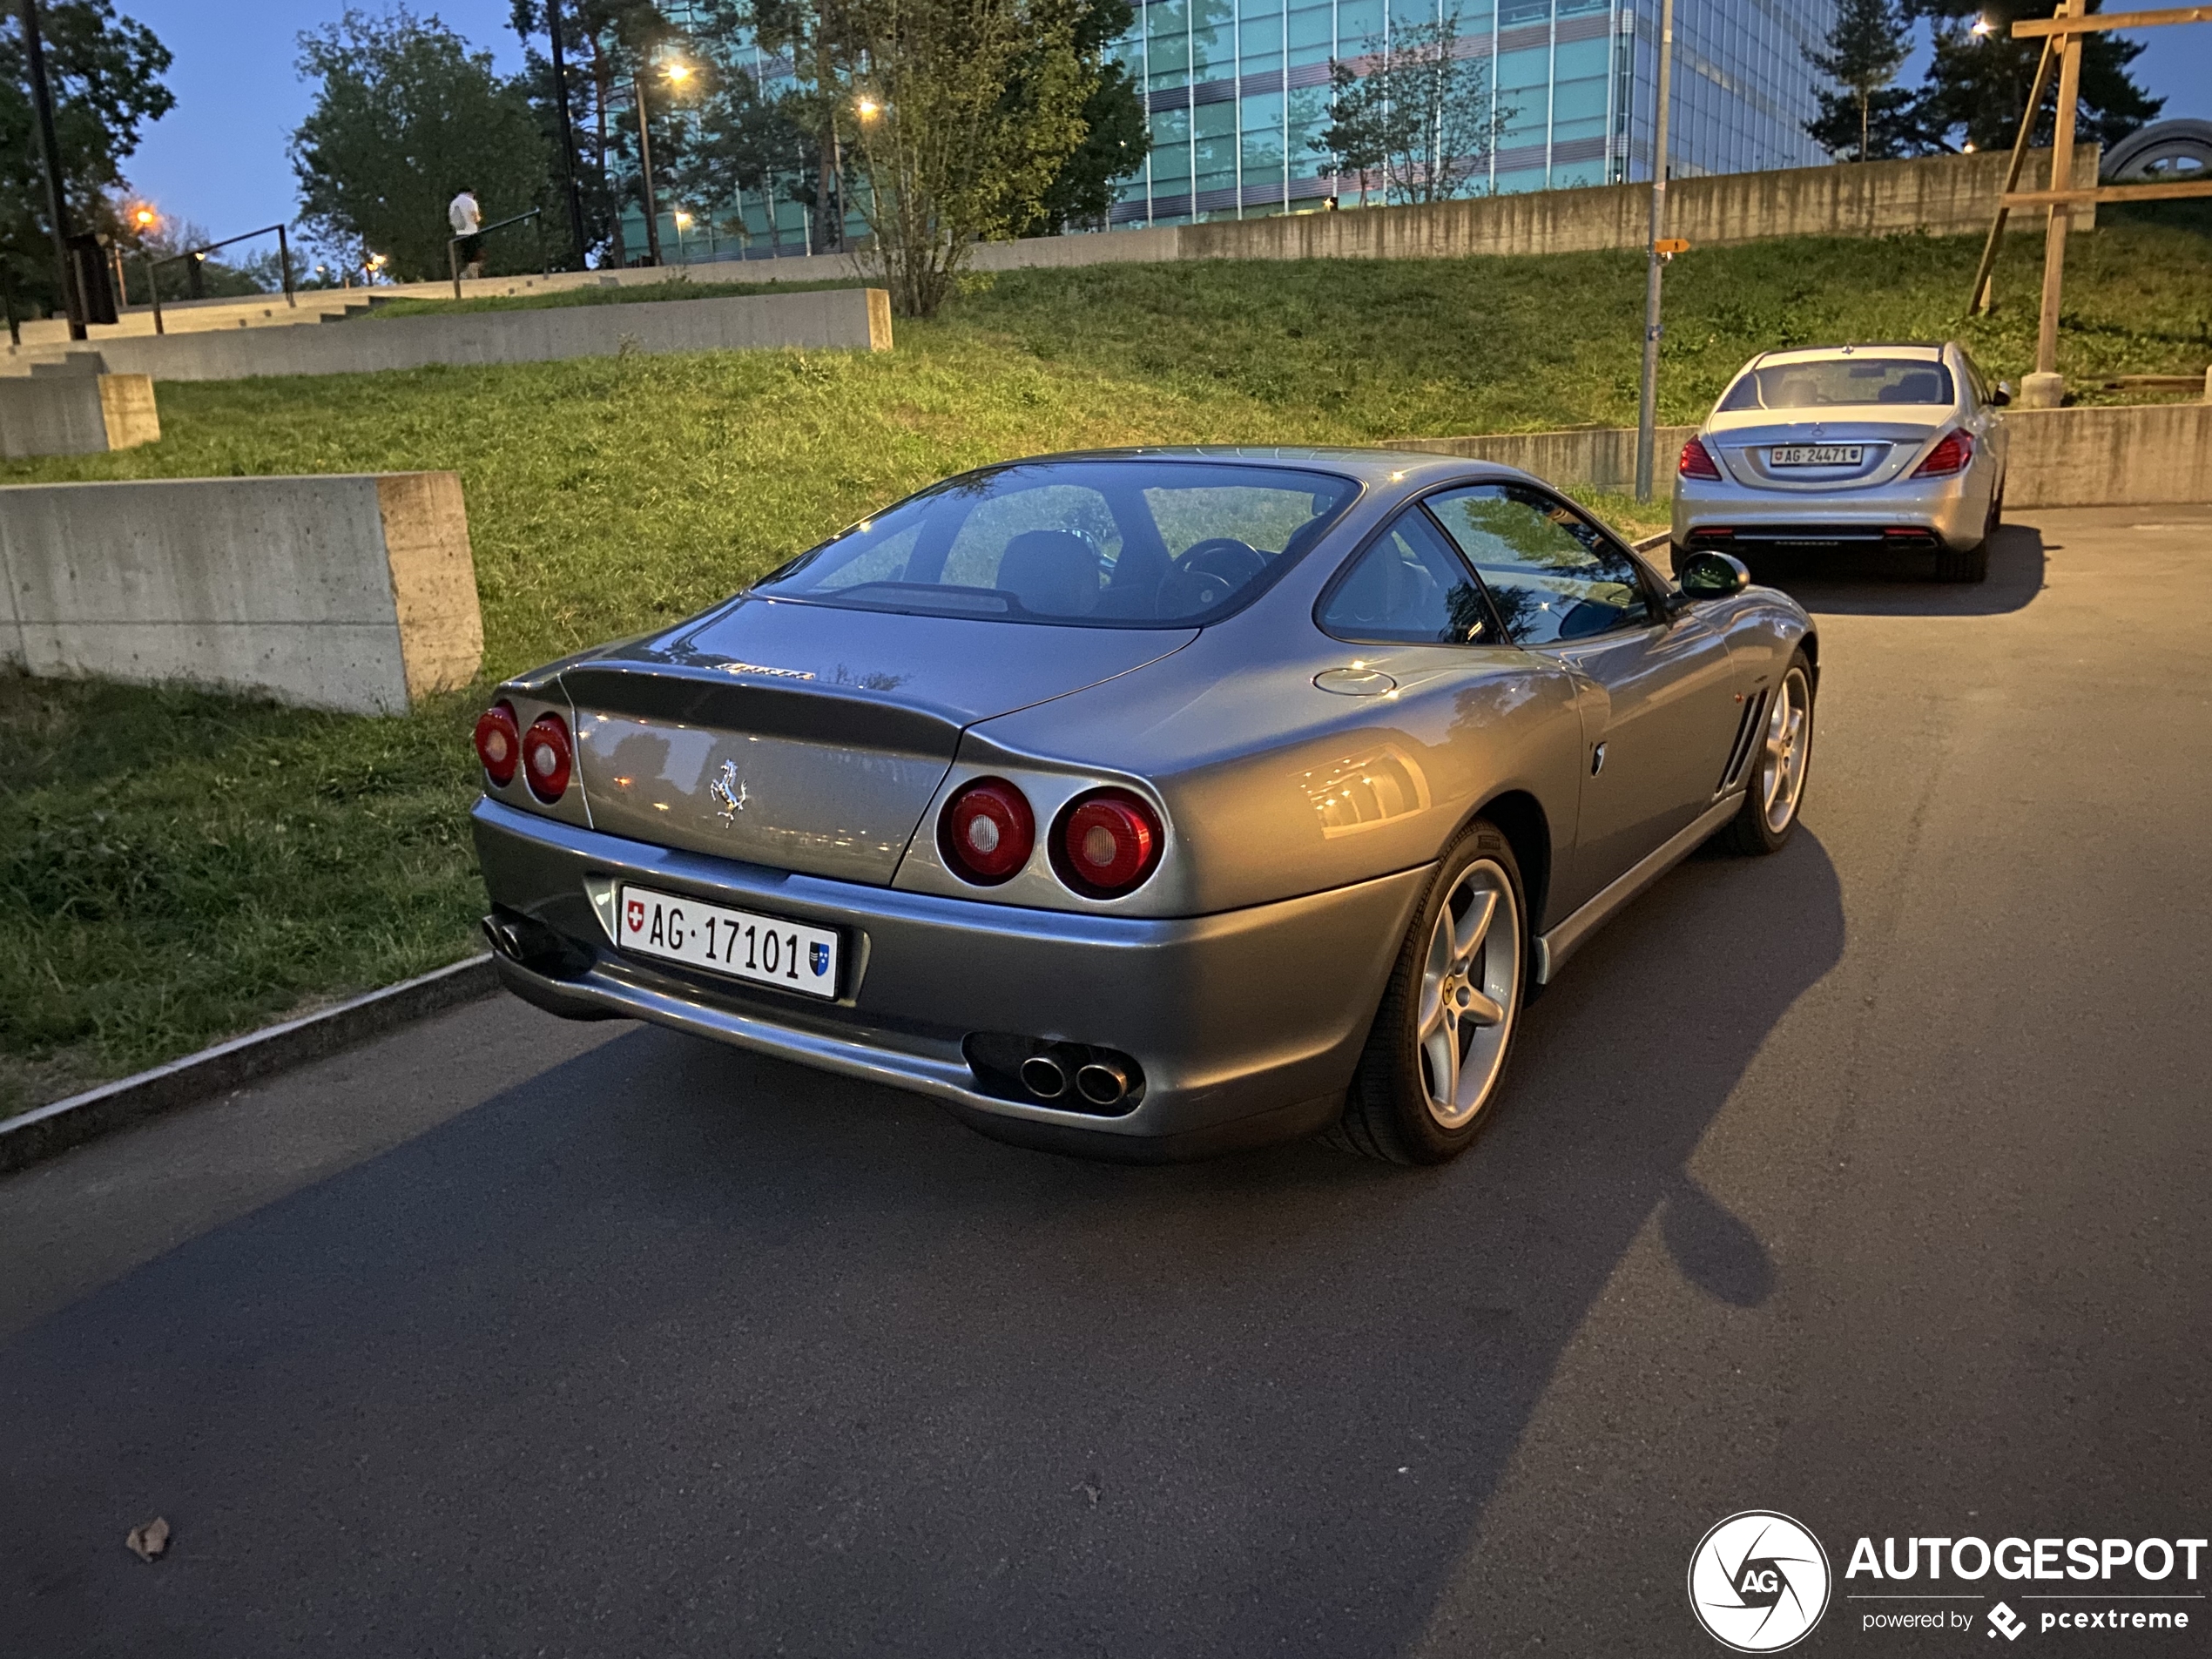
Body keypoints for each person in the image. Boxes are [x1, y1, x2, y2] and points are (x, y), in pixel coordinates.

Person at [448, 185, 484, 280]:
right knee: (477, 257)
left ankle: (473, 277)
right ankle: (465, 274)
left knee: (468, 257)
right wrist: (479, 219)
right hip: (472, 232)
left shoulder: (453, 203)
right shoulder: (471, 202)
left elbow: (453, 219)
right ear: (470, 193)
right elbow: (475, 218)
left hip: (460, 233)